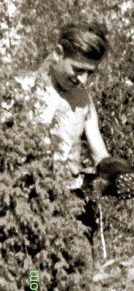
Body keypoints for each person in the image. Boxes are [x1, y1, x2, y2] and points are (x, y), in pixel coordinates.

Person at [16, 22, 111, 190]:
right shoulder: (23, 88)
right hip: (24, 196)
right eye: (78, 69)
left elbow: (100, 155)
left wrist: (113, 172)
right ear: (58, 53)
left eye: (90, 73)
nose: (84, 80)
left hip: (69, 199)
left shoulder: (84, 100)